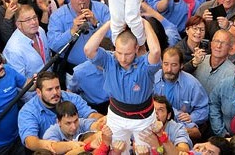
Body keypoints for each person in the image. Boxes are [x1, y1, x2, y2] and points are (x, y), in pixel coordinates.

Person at [84, 19, 161, 153]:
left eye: (128, 54)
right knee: (116, 151)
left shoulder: (144, 64)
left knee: (146, 152)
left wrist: (145, 24)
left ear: (136, 49)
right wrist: (109, 23)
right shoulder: (109, 60)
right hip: (116, 116)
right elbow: (88, 49)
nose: (123, 58)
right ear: (114, 48)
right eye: (119, 53)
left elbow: (155, 52)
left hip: (143, 118)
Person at [18, 71, 99, 152]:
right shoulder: (28, 111)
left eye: (57, 87)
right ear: (39, 92)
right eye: (49, 89)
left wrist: (102, 121)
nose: (55, 92)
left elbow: (91, 115)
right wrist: (55, 145)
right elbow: (30, 141)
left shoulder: (72, 98)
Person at [47, 0, 110, 81]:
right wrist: (72, 31)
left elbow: (114, 37)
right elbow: (53, 45)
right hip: (73, 72)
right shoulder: (57, 16)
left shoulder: (102, 9)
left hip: (101, 69)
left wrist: (96, 23)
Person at [153, 47, 209, 136]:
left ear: (181, 65)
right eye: (166, 64)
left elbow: (203, 108)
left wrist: (192, 117)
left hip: (183, 127)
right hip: (154, 125)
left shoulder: (192, 84)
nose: (169, 69)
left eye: (174, 65)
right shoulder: (151, 79)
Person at [193, 30, 235, 95]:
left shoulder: (232, 73)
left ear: (230, 48)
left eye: (224, 43)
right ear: (211, 44)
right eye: (216, 41)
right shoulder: (199, 60)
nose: (218, 46)